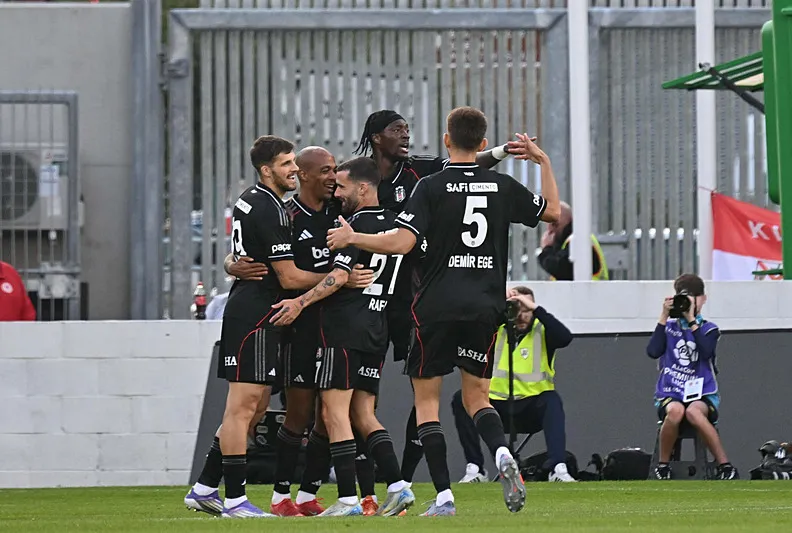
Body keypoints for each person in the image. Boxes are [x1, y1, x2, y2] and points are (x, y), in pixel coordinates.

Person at [327, 106, 561, 516]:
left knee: (427, 405)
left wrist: (354, 237)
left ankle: (444, 498)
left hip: (434, 307)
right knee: (478, 398)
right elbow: (553, 213)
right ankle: (502, 452)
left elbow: (401, 243)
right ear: (483, 143)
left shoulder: (430, 186)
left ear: (446, 140)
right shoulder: (502, 185)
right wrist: (542, 162)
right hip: (485, 307)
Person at [188, 146, 374, 518]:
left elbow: (243, 251)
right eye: (286, 164)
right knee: (246, 408)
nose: (291, 169)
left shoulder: (268, 202)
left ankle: (206, 487)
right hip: (265, 314)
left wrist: (231, 263)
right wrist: (340, 277)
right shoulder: (275, 209)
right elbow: (286, 277)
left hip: (280, 317)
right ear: (267, 170)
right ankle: (236, 499)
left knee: (256, 408)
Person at [271, 157, 415, 517]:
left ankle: (348, 499)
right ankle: (398, 486)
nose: (338, 192)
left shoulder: (354, 227)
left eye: (344, 187)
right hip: (377, 328)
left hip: (344, 329)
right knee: (364, 414)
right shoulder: (395, 226)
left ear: (363, 188)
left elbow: (338, 277)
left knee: (333, 412)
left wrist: (300, 302)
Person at [451, 286, 575, 483]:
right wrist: (497, 302)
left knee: (552, 400)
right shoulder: (496, 330)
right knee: (461, 399)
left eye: (526, 310)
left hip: (531, 407)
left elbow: (565, 337)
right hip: (495, 408)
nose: (522, 315)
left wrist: (536, 309)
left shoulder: (542, 330)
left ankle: (558, 468)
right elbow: (469, 323)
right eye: (518, 309)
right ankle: (476, 469)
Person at [646, 273, 737, 481]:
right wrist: (664, 316)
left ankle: (725, 465)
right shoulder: (669, 328)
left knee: (694, 412)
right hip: (671, 391)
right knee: (676, 411)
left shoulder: (709, 328)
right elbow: (653, 351)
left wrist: (691, 320)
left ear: (703, 299)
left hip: (702, 392)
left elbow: (706, 351)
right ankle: (663, 465)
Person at [538, 201, 608, 281]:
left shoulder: (579, 238)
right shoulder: (567, 241)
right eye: (548, 224)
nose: (550, 230)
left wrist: (547, 249)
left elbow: (562, 269)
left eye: (555, 224)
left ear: (569, 221)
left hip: (589, 289)